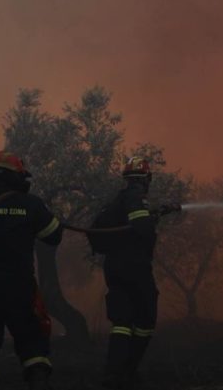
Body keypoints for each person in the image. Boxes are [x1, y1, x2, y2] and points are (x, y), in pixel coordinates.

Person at [0, 151, 63, 390]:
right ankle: (38, 381)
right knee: (32, 343)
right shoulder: (31, 204)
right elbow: (54, 236)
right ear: (16, 177)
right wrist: (34, 207)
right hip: (18, 287)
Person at [89, 156, 171, 389]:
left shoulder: (118, 200)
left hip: (114, 268)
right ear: (147, 178)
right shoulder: (136, 197)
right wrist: (151, 220)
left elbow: (133, 220)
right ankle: (128, 370)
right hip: (134, 267)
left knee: (122, 321)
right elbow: (142, 227)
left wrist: (154, 214)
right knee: (145, 319)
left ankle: (114, 373)